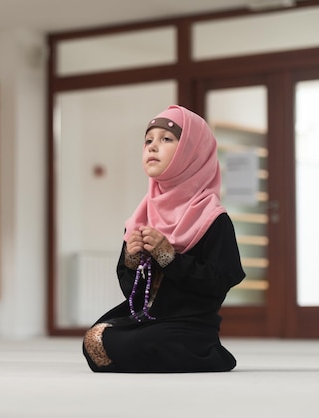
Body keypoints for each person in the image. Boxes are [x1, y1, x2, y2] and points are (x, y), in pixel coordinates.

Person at [82, 105, 245, 373]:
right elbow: (131, 292)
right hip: (148, 318)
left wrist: (168, 257)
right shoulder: (143, 214)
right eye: (148, 140)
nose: (152, 147)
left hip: (190, 323)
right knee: (96, 339)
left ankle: (207, 353)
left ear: (191, 153)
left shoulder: (212, 218)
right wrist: (132, 260)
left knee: (144, 343)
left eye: (166, 139)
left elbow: (220, 282)